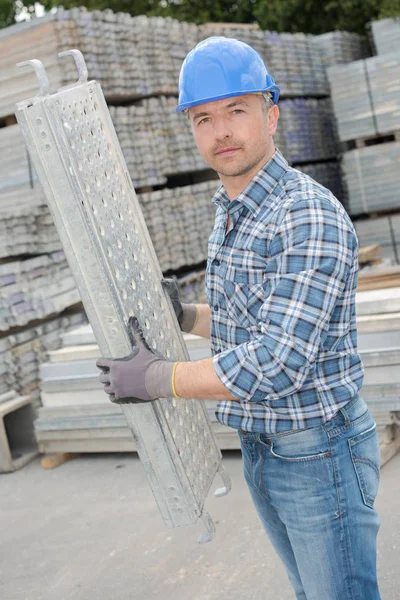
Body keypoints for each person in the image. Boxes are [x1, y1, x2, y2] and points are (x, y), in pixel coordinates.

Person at [97, 37, 381, 599]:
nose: (221, 131)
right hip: (263, 445)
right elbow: (244, 321)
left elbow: (276, 360)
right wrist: (185, 316)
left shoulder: (306, 214)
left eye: (236, 111)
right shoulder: (234, 212)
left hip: (317, 453)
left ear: (270, 116)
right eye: (204, 118)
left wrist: (161, 379)